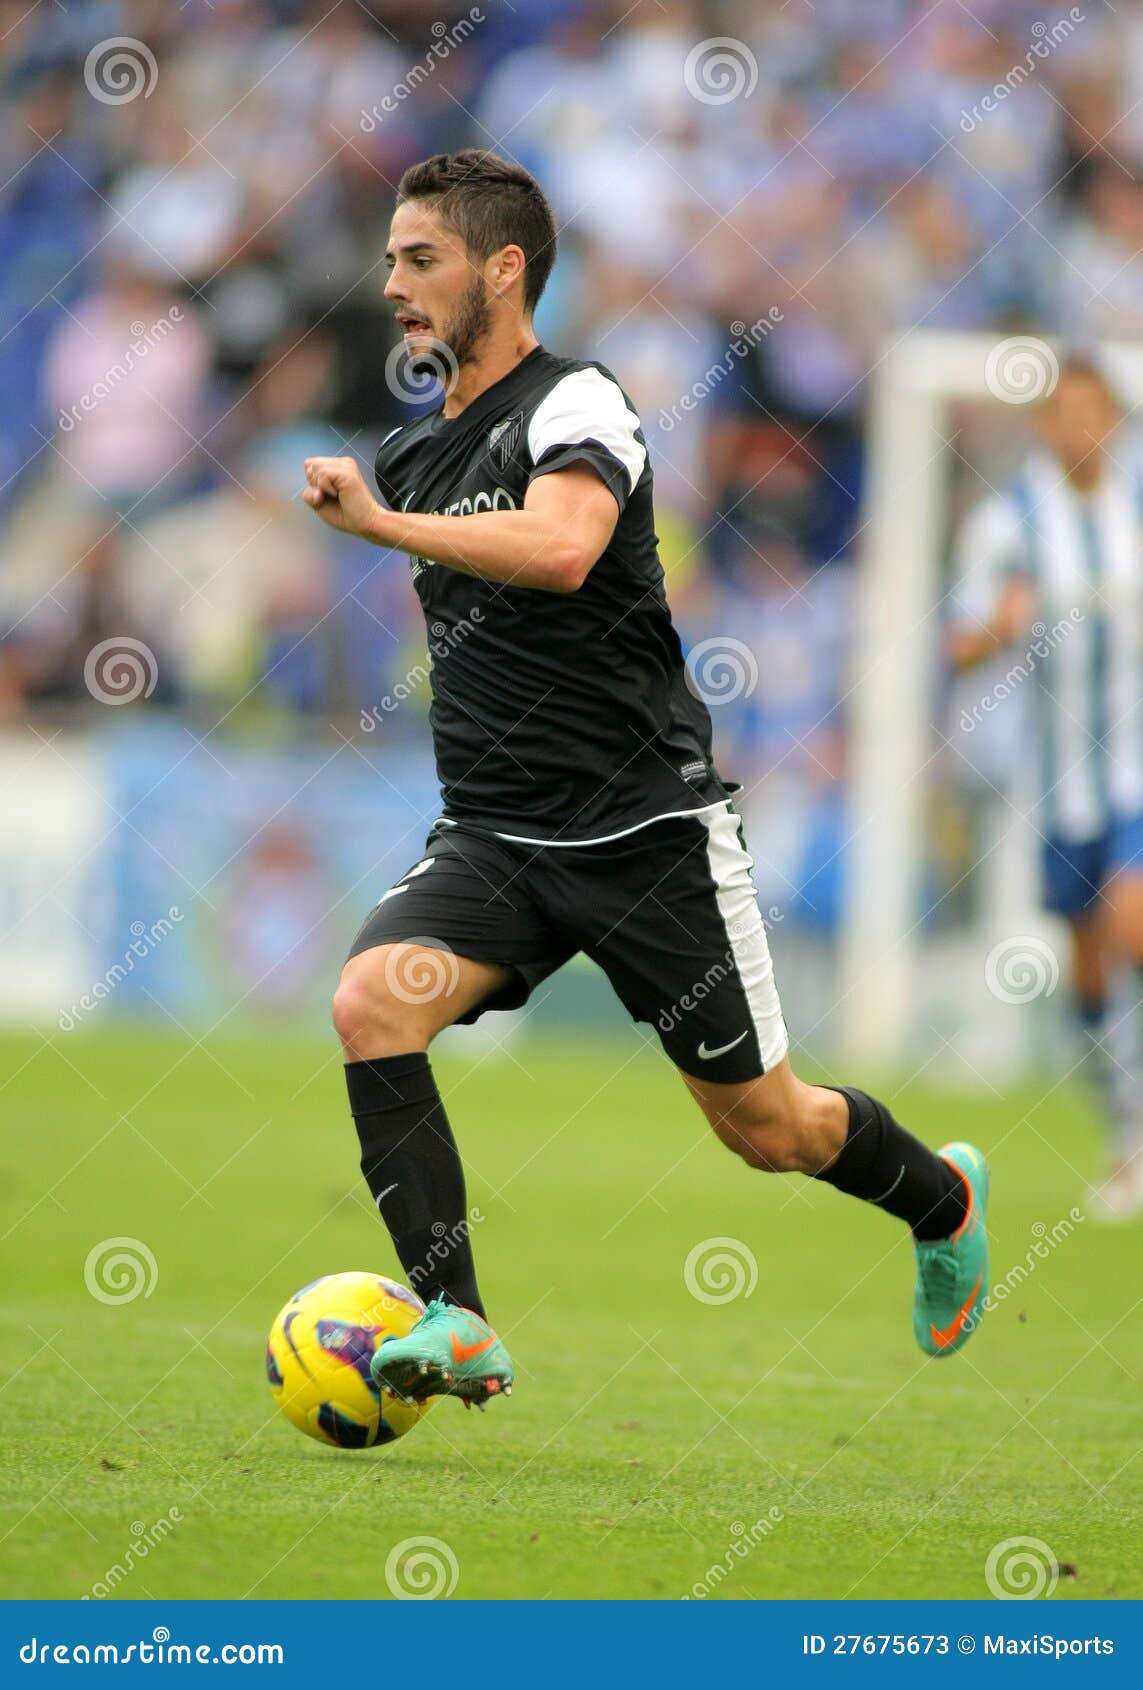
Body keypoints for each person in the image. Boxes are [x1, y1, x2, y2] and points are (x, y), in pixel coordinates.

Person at [302, 150, 989, 1408]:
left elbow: (566, 551)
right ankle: (459, 1322)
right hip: (496, 841)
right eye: (392, 258)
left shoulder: (583, 405)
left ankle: (942, 1200)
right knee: (368, 1007)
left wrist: (382, 528)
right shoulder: (413, 454)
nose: (393, 283)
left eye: (421, 259)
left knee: (768, 1131)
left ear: (502, 271)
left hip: (646, 836)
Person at [951, 356, 1143, 1219]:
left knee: (1129, 918)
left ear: (1117, 423)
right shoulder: (1008, 526)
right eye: (1064, 412)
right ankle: (1125, 1139)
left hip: (1137, 773)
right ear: (1042, 426)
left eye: (1094, 412)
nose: (1079, 427)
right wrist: (998, 627)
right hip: (1060, 779)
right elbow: (954, 647)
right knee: (1090, 968)